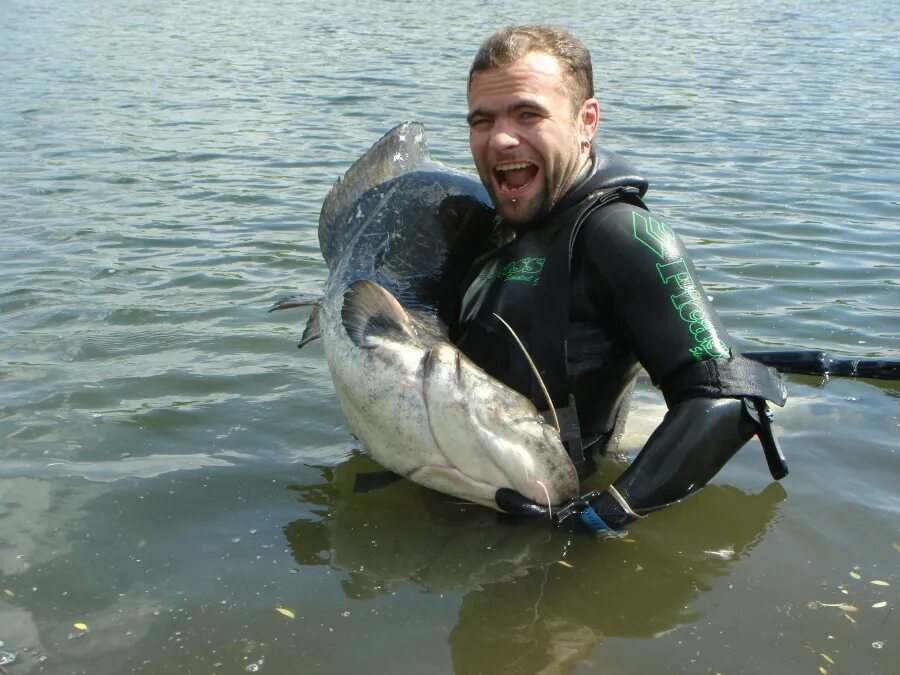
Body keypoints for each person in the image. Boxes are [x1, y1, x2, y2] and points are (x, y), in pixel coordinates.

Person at [452, 25, 787, 535]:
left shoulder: (621, 235)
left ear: (586, 121)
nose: (501, 138)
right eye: (483, 121)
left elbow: (726, 402)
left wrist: (601, 515)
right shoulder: (491, 226)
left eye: (528, 114)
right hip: (459, 492)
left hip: (543, 522)